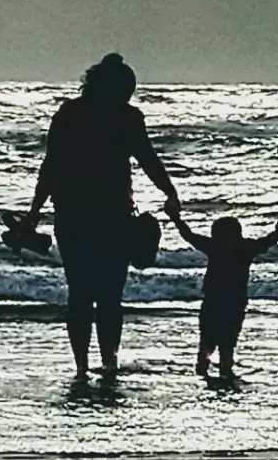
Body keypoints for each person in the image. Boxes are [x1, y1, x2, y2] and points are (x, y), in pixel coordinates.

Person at [25, 53, 181, 381]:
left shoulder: (69, 114)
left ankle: (84, 366)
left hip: (73, 215)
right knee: (109, 296)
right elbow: (148, 159)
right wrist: (169, 192)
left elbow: (50, 166)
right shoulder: (127, 118)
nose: (127, 96)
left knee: (80, 295)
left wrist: (34, 214)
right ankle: (107, 363)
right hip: (112, 217)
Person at [171, 212, 278, 379]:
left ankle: (218, 369)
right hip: (221, 303)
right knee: (212, 341)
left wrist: (176, 218)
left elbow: (189, 235)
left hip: (226, 303)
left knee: (222, 342)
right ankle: (211, 370)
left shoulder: (221, 247)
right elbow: (189, 235)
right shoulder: (242, 248)